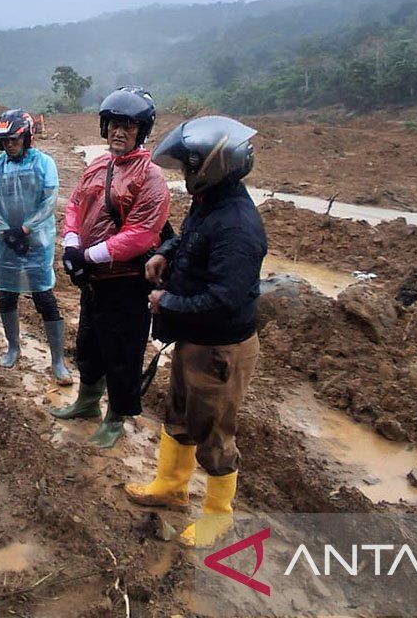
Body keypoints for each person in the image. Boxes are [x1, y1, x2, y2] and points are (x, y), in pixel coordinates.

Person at [123, 115, 267, 548]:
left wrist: (167, 302)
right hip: (196, 339)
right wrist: (165, 252)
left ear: (214, 165)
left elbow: (226, 298)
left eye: (190, 165)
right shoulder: (213, 203)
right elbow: (189, 238)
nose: (185, 174)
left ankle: (219, 515)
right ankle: (171, 485)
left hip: (220, 348)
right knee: (180, 415)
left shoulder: (238, 226)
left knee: (215, 434)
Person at [50, 87, 170, 448]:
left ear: (141, 131)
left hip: (127, 282)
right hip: (95, 282)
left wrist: (89, 256)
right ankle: (87, 403)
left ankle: (116, 417)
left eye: (128, 126)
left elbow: (140, 234)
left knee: (122, 353)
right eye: (114, 124)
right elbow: (76, 204)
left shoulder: (151, 177)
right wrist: (71, 243)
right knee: (89, 344)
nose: (119, 132)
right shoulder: (99, 165)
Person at [0, 109, 72, 385]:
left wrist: (26, 228)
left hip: (36, 243)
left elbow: (49, 200)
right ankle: (13, 347)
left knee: (44, 299)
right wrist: (4, 232)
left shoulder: (44, 163)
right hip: (6, 244)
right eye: (4, 141)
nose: (9, 145)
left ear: (27, 137)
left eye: (14, 140)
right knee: (7, 296)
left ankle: (57, 360)